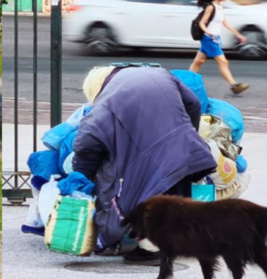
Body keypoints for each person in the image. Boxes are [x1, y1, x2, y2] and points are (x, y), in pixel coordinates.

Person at [72, 65, 217, 264]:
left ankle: (152, 249)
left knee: (135, 193)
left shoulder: (106, 101)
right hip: (186, 152)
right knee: (175, 194)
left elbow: (87, 142)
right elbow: (192, 103)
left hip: (155, 160)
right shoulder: (158, 72)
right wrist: (187, 133)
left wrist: (80, 173)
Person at [189, 0, 249, 95]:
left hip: (215, 37)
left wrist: (239, 35)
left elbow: (226, 24)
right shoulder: (210, 7)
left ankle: (185, 82)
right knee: (223, 61)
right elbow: (202, 23)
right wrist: (208, 33)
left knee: (198, 62)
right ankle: (234, 85)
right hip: (209, 38)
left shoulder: (219, 7)